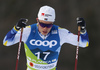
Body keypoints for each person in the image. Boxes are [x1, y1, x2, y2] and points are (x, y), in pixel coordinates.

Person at [3, 5, 89, 70]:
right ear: (37, 20)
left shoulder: (60, 33)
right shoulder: (27, 31)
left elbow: (83, 43)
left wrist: (83, 30)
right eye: (42, 24)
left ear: (53, 22)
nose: (45, 28)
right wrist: (16, 28)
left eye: (49, 25)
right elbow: (6, 42)